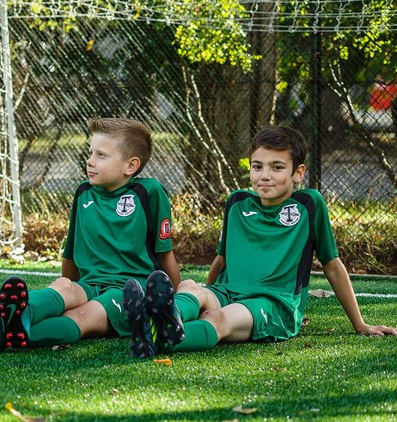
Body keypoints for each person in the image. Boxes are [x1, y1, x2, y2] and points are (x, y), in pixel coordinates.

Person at [125, 126, 397, 356]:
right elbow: (221, 259)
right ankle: (160, 319)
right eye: (258, 166)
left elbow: (332, 264)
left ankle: (161, 340)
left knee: (217, 319)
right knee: (188, 286)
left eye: (277, 167)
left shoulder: (309, 204)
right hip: (228, 291)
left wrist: (360, 324)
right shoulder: (237, 202)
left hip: (271, 302)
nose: (265, 175)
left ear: (297, 173)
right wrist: (206, 294)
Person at [0, 117, 179, 353]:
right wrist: (66, 285)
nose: (90, 161)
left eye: (101, 155)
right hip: (89, 284)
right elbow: (70, 253)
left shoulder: (149, 191)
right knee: (63, 287)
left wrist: (176, 301)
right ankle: (13, 314)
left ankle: (12, 333)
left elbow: (165, 252)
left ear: (130, 166)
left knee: (83, 315)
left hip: (129, 291)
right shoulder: (84, 193)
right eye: (90, 153)